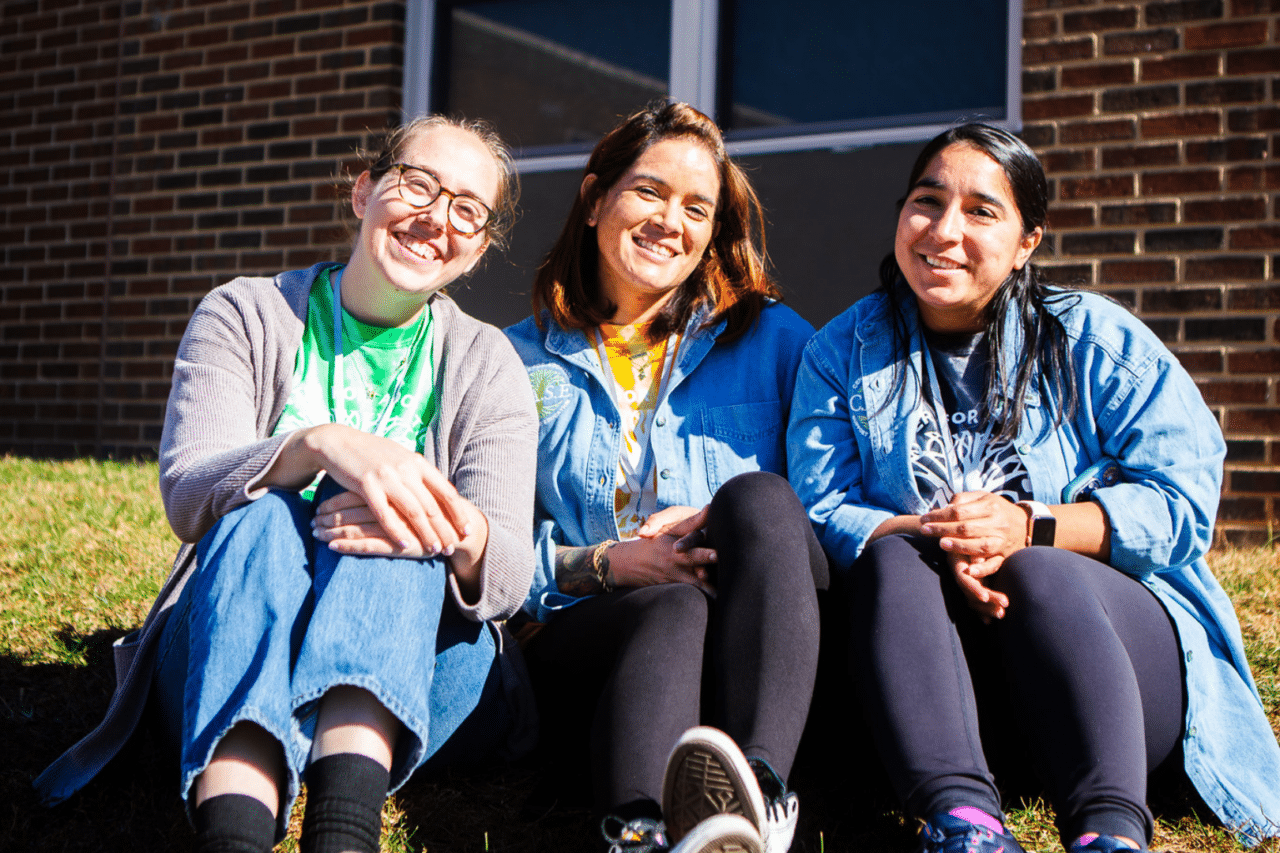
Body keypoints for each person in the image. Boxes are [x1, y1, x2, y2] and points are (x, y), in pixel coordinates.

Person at [35, 115, 539, 853]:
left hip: (411, 673)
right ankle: (233, 832)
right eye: (417, 184)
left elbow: (510, 574)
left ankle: (344, 830)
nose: (436, 217)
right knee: (264, 516)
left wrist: (426, 507)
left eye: (467, 208)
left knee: (391, 513)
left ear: (478, 248)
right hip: (230, 641)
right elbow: (190, 491)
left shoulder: (489, 364)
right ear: (364, 192)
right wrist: (318, 445)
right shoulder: (245, 312)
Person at [787, 122, 1280, 853]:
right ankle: (963, 823)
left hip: (1108, 678)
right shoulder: (839, 352)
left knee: (1040, 565)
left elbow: (1181, 504)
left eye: (981, 211)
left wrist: (1027, 526)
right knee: (894, 556)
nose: (944, 230)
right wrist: (951, 537)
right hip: (937, 689)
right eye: (927, 202)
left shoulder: (1095, 341)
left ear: (1027, 242)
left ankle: (1110, 830)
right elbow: (822, 509)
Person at [505, 102, 827, 853]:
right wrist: (607, 564)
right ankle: (640, 830)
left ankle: (760, 793)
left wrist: (720, 516)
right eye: (649, 192)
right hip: (605, 648)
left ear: (714, 231)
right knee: (671, 604)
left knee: (758, 496)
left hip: (759, 646)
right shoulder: (513, 361)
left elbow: (827, 505)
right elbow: (486, 550)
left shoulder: (777, 341)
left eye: (696, 208)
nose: (668, 222)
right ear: (595, 200)